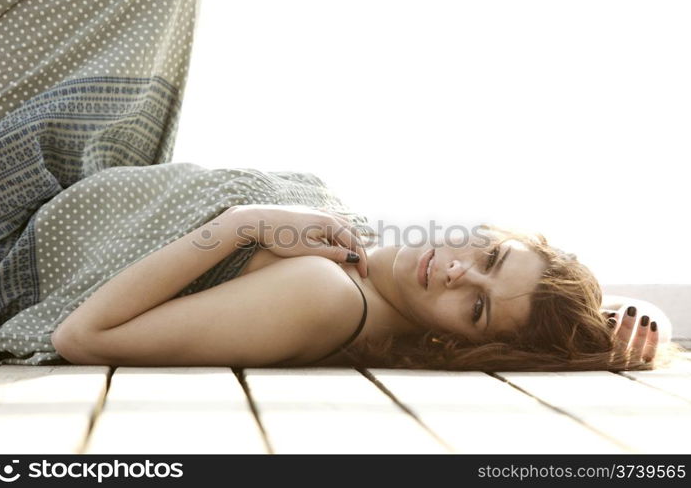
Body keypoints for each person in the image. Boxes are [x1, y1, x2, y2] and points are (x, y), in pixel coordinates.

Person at [49, 203, 684, 371]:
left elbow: (83, 337)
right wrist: (630, 318)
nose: (461, 270)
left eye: (477, 304)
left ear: (460, 344)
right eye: (490, 253)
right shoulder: (366, 255)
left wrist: (241, 226)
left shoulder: (325, 296)